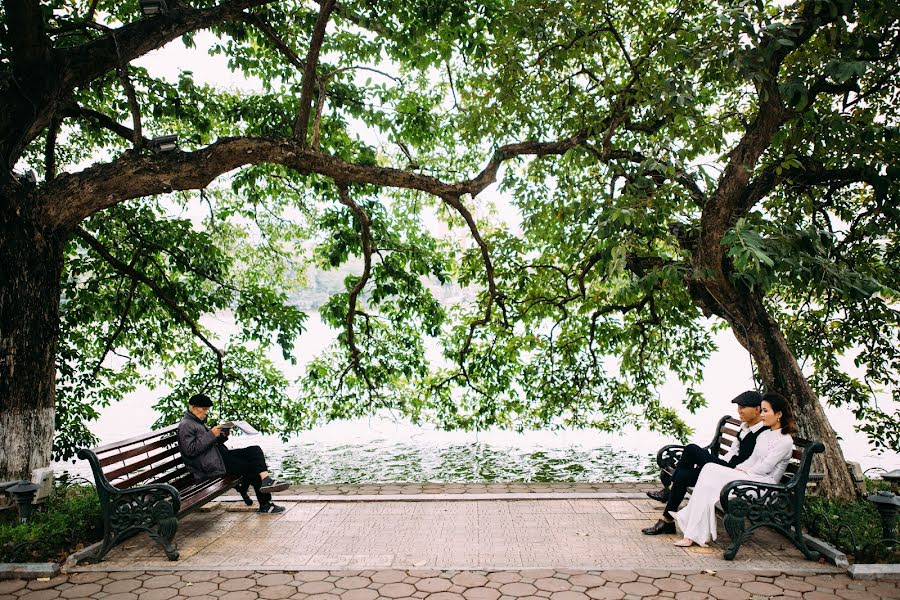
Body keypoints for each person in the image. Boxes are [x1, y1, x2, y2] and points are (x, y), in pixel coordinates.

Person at [668, 391, 797, 547]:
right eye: (761, 410)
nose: (762, 414)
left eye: (765, 411)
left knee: (710, 478)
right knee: (709, 469)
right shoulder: (764, 435)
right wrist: (738, 469)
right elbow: (752, 460)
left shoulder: (785, 441)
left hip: (765, 485)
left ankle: (689, 523)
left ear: (778, 414)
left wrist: (742, 473)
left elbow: (766, 467)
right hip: (751, 476)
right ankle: (691, 533)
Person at [642, 390, 767, 535]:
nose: (739, 411)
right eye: (738, 407)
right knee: (682, 476)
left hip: (735, 473)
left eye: (743, 407)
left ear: (757, 409)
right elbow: (732, 453)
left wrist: (717, 467)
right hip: (724, 468)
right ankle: (667, 521)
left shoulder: (763, 434)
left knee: (691, 449)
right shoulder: (744, 428)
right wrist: (714, 466)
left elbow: (756, 463)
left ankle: (670, 489)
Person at [177, 393, 290, 513]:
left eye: (207, 409)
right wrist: (211, 434)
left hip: (219, 457)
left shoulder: (196, 422)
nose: (206, 412)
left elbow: (208, 444)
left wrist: (222, 436)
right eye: (204, 409)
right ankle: (265, 504)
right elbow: (190, 450)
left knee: (254, 450)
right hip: (211, 466)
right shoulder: (186, 425)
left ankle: (266, 480)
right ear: (193, 407)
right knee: (252, 467)